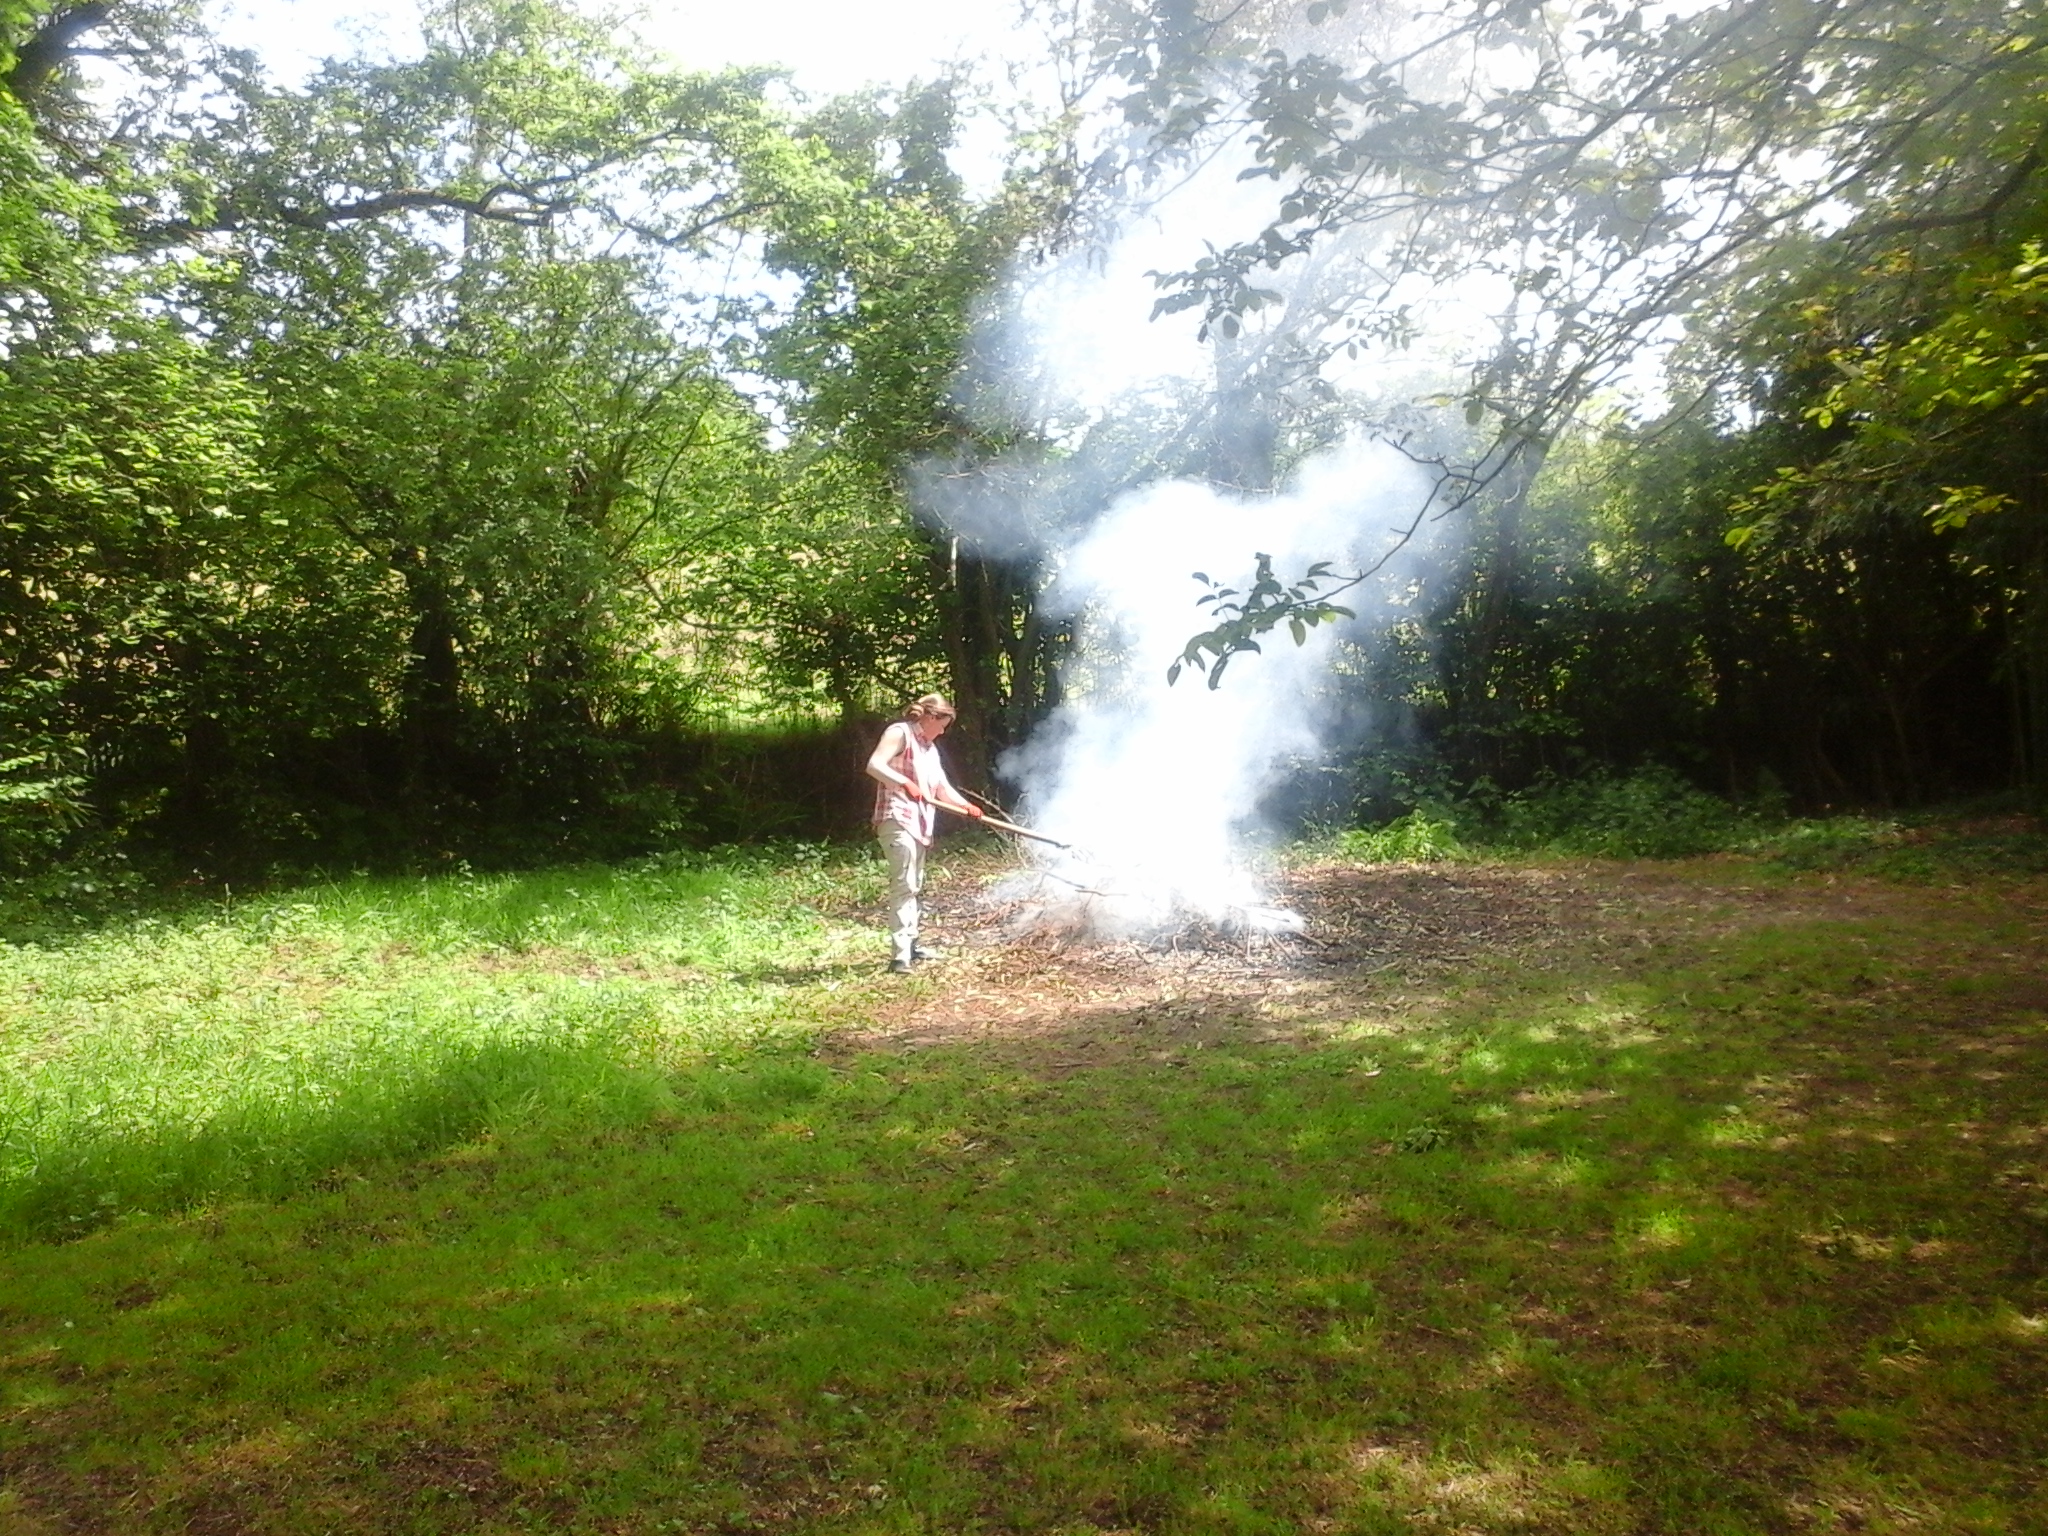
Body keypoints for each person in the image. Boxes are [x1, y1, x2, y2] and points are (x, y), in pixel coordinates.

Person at [866, 694, 982, 972]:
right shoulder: (900, 733)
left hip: (919, 823)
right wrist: (904, 782)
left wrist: (966, 807)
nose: (942, 731)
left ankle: (911, 945)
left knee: (914, 884)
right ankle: (899, 957)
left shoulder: (930, 749)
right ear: (930, 717)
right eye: (942, 724)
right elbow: (874, 765)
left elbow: (941, 788)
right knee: (904, 885)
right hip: (896, 817)